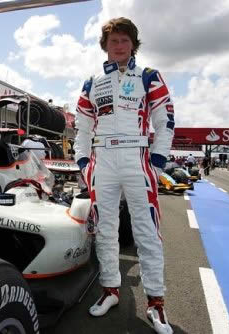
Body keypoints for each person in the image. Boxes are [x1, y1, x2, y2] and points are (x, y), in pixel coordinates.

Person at [73, 17, 174, 334]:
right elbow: (82, 128)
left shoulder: (149, 76)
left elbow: (165, 120)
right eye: (113, 41)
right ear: (105, 46)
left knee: (146, 232)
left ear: (133, 44)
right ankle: (110, 291)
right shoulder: (92, 82)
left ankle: (156, 304)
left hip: (137, 157)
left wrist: (157, 161)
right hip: (102, 160)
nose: (119, 46)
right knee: (104, 229)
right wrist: (83, 163)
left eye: (124, 40)